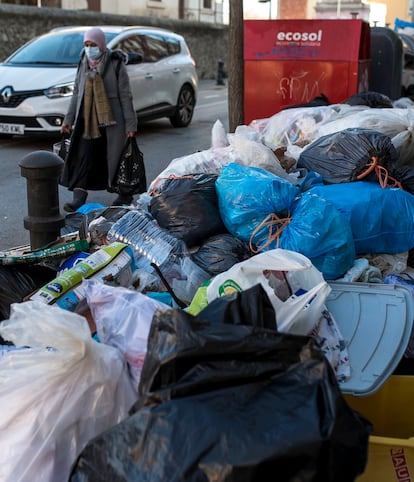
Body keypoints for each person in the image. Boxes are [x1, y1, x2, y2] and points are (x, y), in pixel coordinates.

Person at [60, 27, 138, 212]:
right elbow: (77, 93)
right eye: (86, 45)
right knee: (82, 156)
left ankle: (125, 194)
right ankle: (79, 196)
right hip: (87, 121)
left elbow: (126, 96)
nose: (89, 48)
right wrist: (68, 120)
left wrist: (130, 124)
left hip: (112, 122)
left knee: (117, 158)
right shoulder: (83, 62)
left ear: (101, 44)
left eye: (93, 44)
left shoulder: (116, 62)